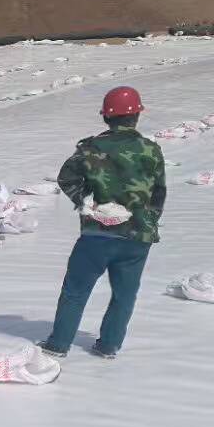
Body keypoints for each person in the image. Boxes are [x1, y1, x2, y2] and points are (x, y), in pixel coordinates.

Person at [38, 86, 165, 360]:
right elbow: (159, 193)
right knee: (124, 294)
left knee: (76, 290)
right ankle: (109, 345)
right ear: (137, 116)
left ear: (107, 117)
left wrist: (87, 204)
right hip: (136, 238)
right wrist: (147, 221)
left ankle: (58, 344)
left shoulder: (90, 148)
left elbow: (66, 178)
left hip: (98, 236)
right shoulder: (151, 150)